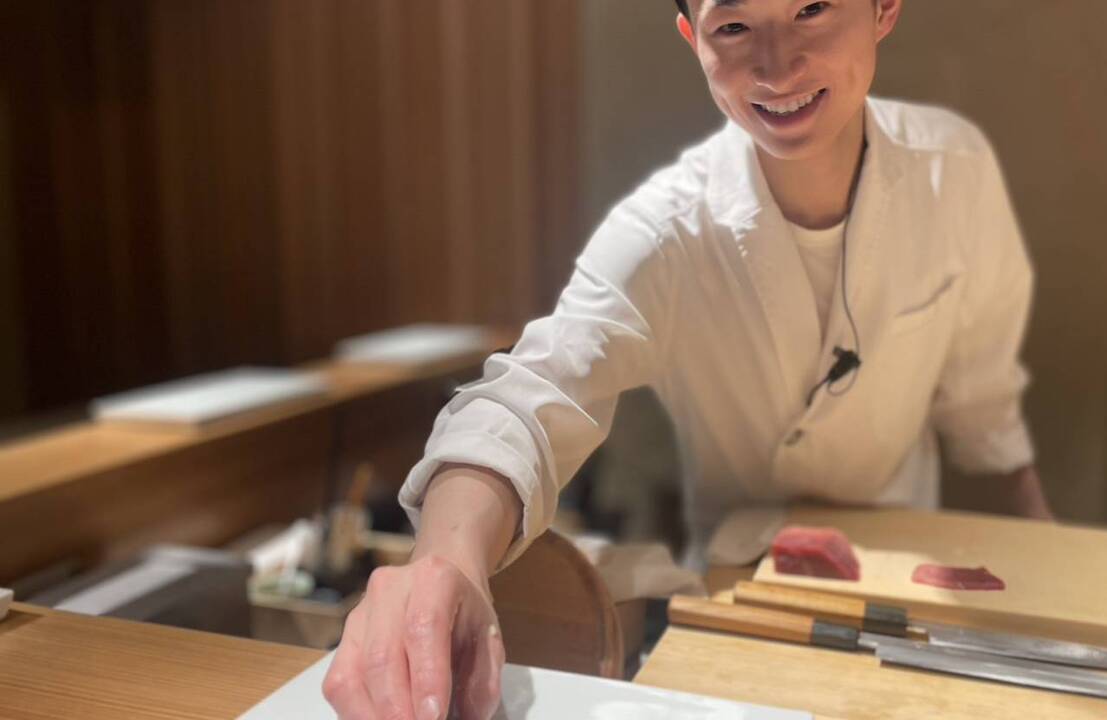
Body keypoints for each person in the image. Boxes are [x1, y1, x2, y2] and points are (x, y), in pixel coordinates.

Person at [323, 1, 1054, 717]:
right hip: (740, 594)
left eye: (812, 9)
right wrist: (445, 561)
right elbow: (533, 395)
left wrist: (1062, 575)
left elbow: (983, 407)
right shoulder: (668, 227)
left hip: (909, 580)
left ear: (884, 8)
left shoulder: (955, 172)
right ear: (691, 37)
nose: (777, 67)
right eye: (734, 26)